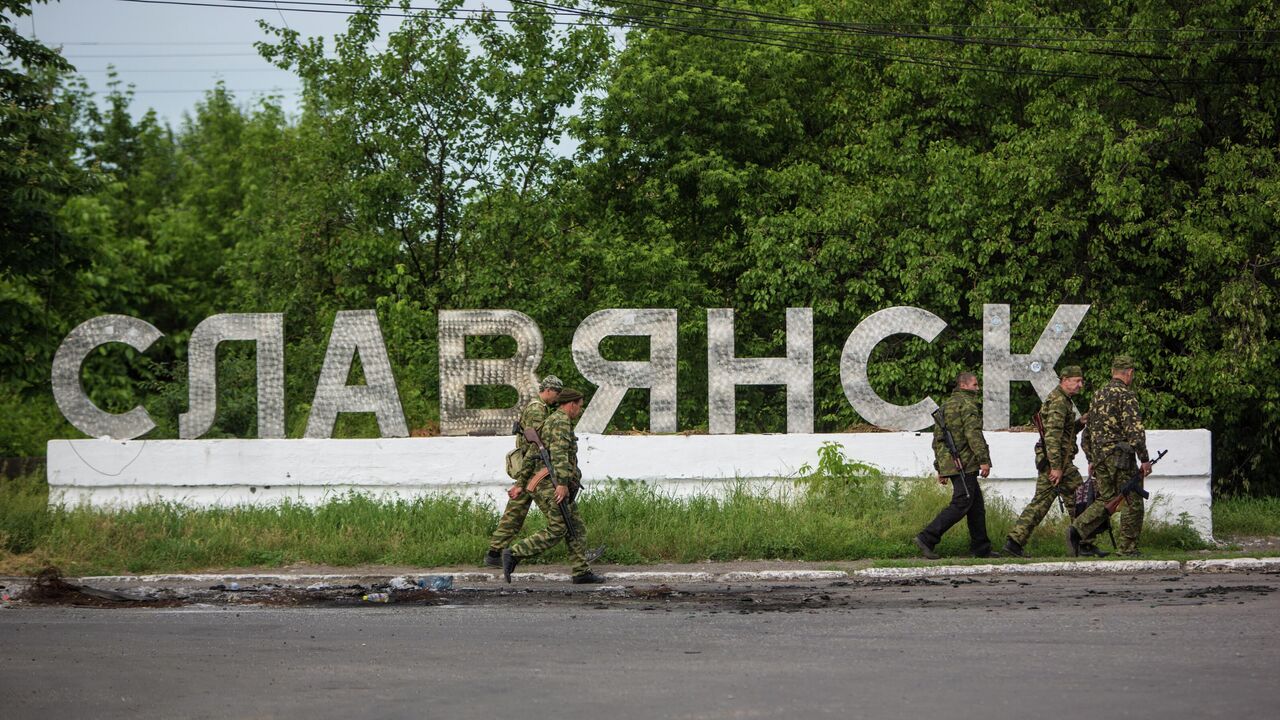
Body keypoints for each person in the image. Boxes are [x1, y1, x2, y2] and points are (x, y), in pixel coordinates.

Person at [502, 388, 603, 584]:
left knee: (576, 527)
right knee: (558, 528)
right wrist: (563, 484)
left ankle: (581, 572)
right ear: (571, 404)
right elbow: (559, 455)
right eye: (579, 406)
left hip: (548, 482)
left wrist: (520, 484)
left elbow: (531, 454)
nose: (579, 411)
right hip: (551, 484)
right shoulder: (561, 422)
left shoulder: (550, 421)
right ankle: (514, 554)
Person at [1004, 366, 1094, 557]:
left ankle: (1015, 541)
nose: (1080, 385)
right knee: (1080, 497)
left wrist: (1080, 422)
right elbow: (1052, 437)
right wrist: (1056, 467)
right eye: (1076, 381)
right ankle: (1083, 543)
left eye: (1081, 381)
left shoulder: (1062, 400)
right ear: (1064, 380)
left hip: (1055, 461)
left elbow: (1064, 432)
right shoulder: (1059, 402)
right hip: (1057, 463)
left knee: (1045, 502)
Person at [1068, 356, 1151, 557]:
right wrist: (1145, 459)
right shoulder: (1126, 395)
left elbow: (1088, 431)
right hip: (1121, 457)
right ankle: (1127, 549)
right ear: (1129, 372)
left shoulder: (1099, 394)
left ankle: (1078, 528)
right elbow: (1135, 431)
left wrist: (1091, 458)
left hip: (1100, 458)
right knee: (1133, 501)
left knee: (1105, 498)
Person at [915, 371, 999, 559]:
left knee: (976, 506)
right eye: (975, 385)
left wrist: (941, 467)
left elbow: (938, 439)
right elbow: (973, 434)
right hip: (965, 463)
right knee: (962, 502)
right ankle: (927, 537)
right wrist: (984, 460)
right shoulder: (967, 405)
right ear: (964, 385)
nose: (978, 388)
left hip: (952, 462)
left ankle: (981, 548)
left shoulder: (945, 406)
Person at [482, 375, 561, 567]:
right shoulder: (537, 409)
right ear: (548, 390)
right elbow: (537, 443)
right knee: (559, 513)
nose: (557, 398)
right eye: (557, 393)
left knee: (515, 513)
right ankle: (579, 551)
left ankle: (494, 553)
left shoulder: (536, 406)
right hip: (533, 469)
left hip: (529, 470)